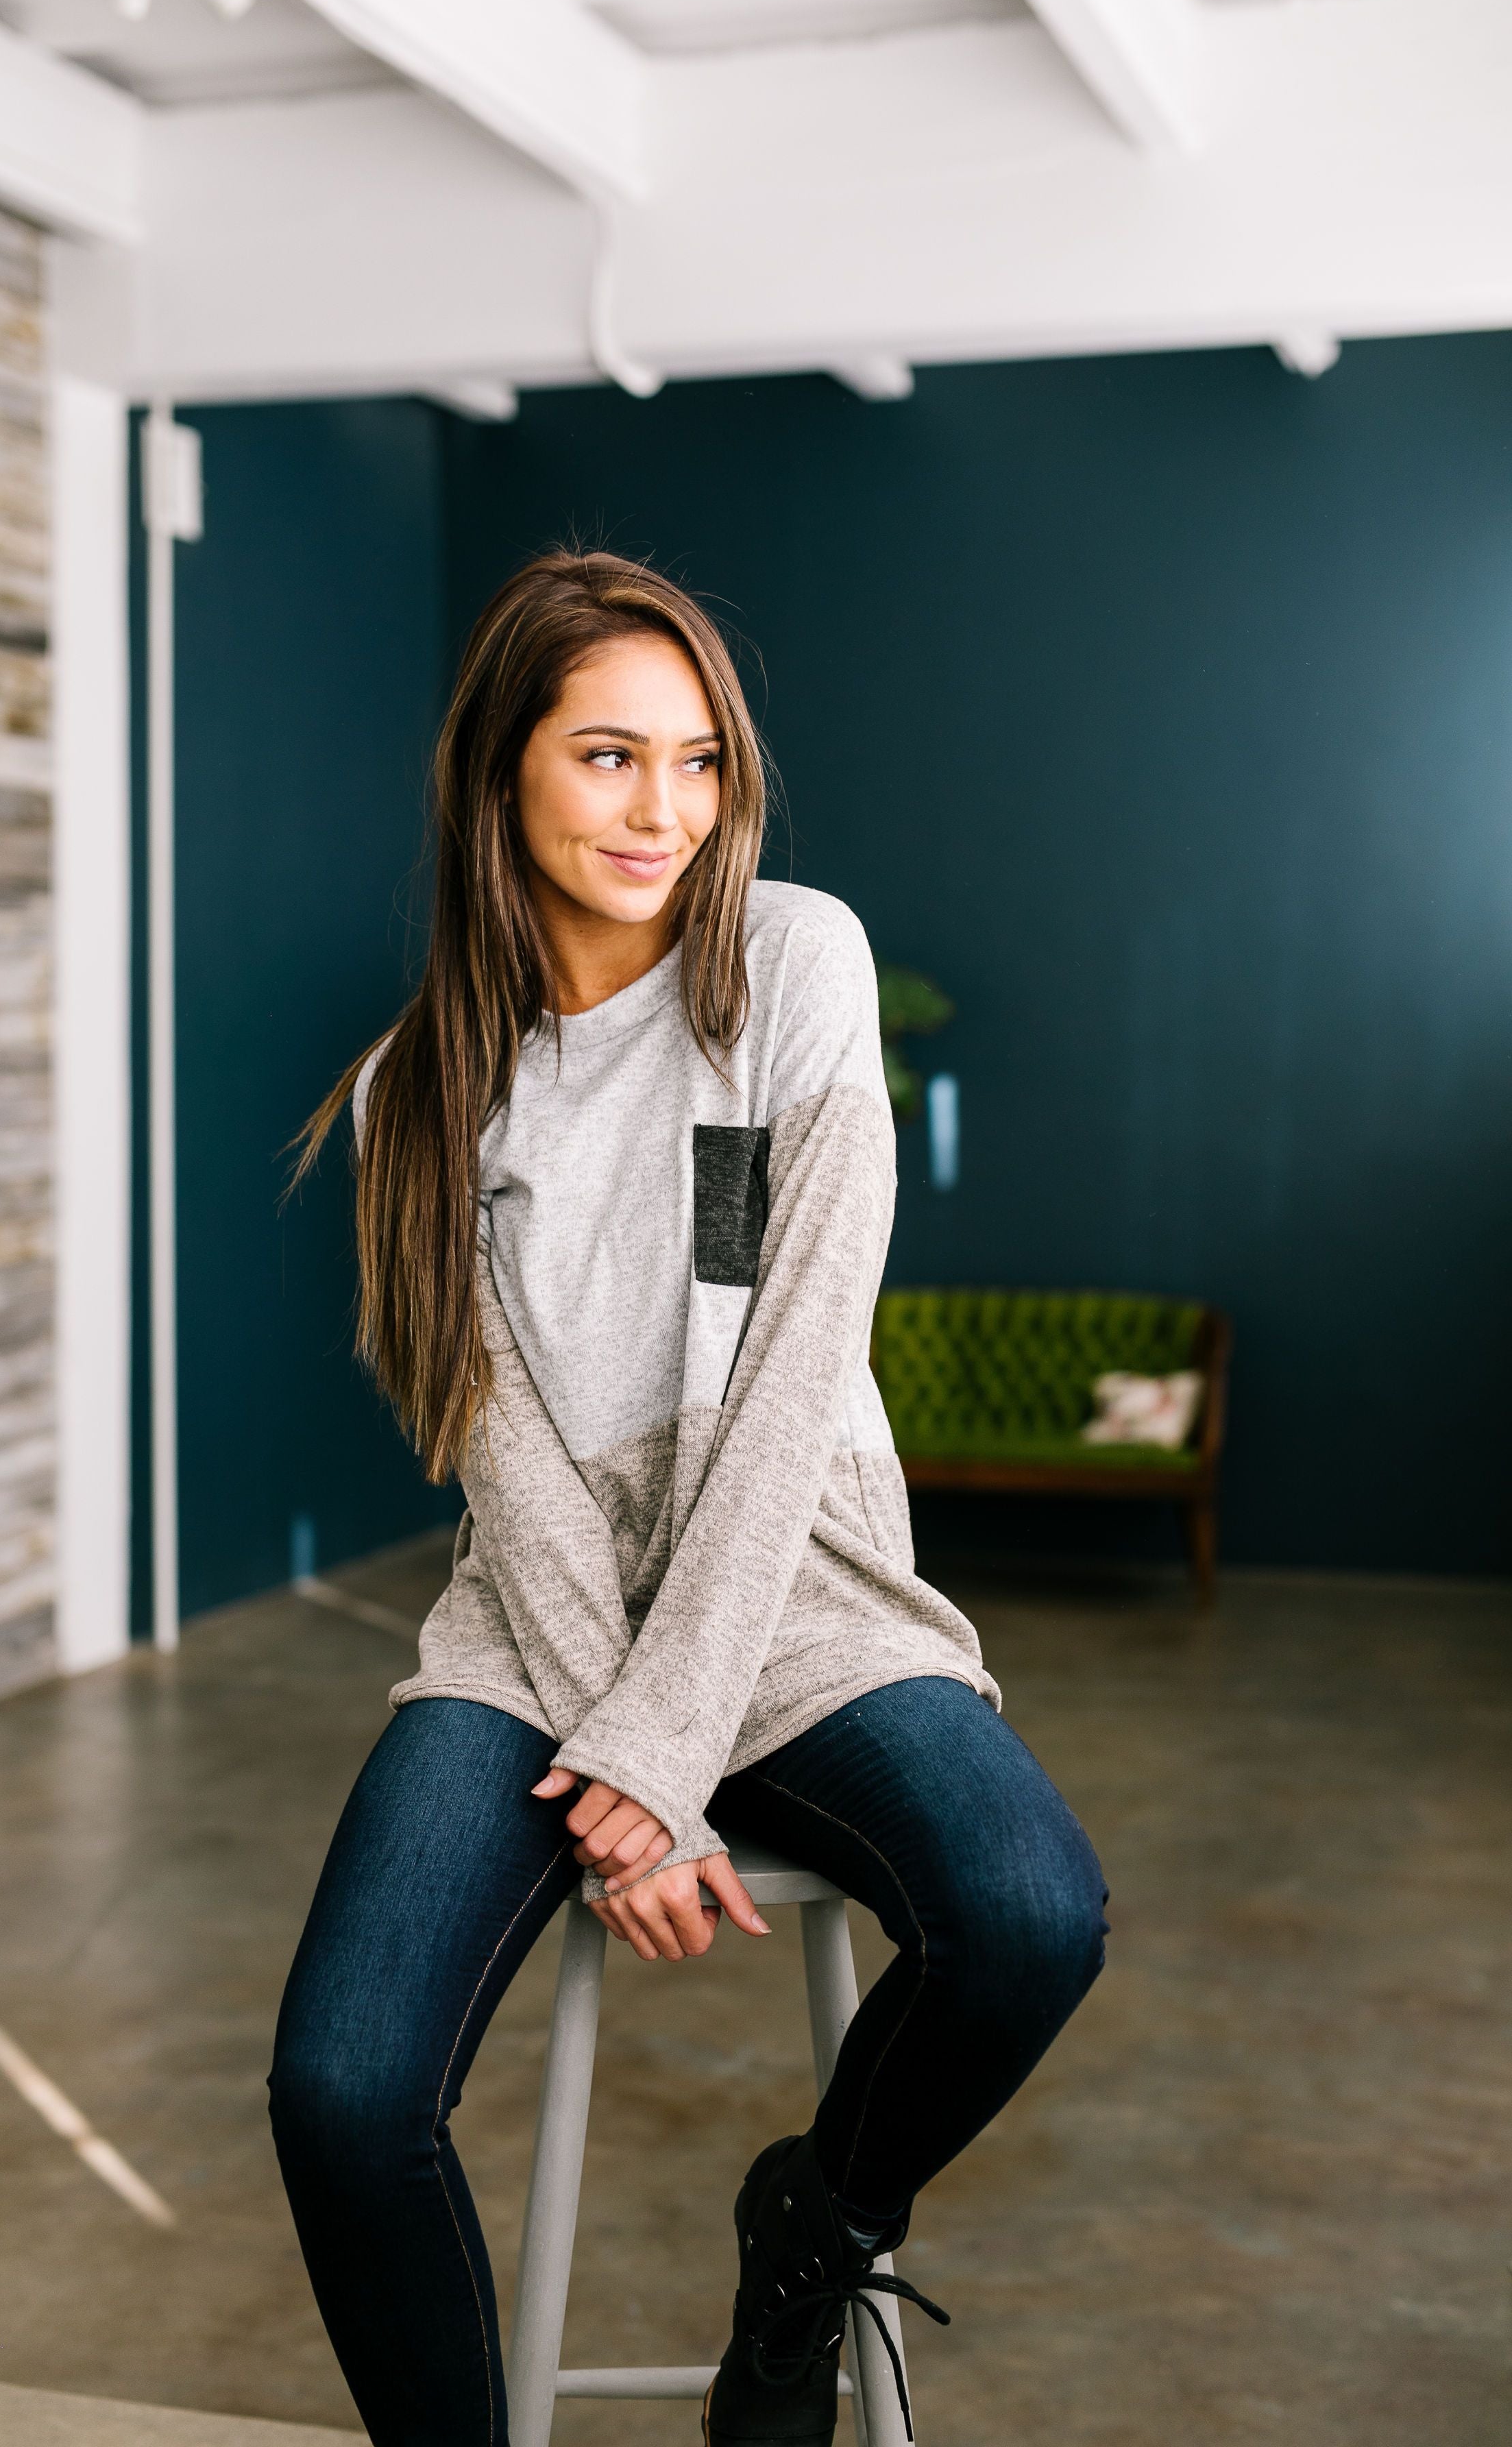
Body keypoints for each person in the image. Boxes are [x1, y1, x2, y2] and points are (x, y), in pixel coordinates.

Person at [269, 550, 1106, 2447]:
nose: (665, 810)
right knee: (341, 2089)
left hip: (802, 1582)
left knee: (1030, 1915)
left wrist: (663, 1746)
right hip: (539, 1626)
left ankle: (814, 2234)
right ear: (500, 771)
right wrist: (625, 1752)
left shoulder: (793, 963)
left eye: (699, 760)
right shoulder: (421, 1095)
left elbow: (796, 1372)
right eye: (607, 756)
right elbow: (512, 1470)